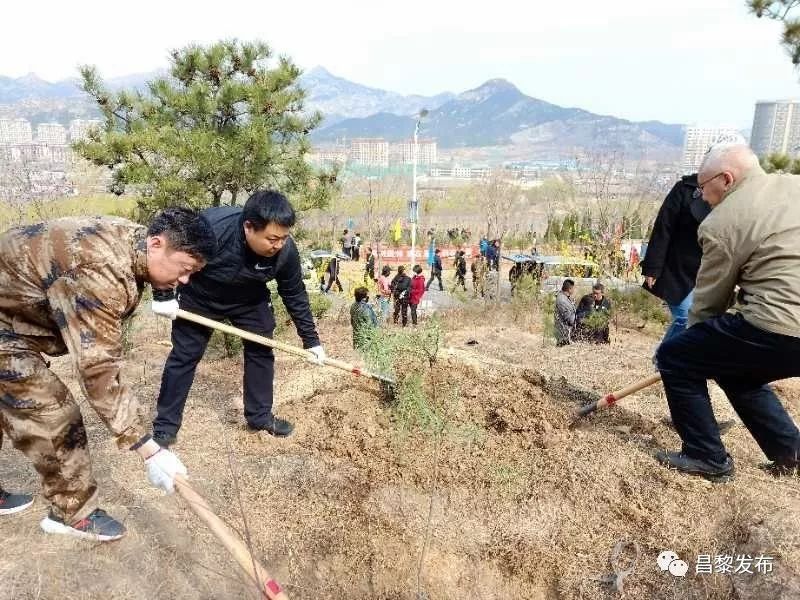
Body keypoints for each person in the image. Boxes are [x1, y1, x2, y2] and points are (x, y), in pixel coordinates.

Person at [0, 208, 216, 540]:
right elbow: (97, 370)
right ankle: (72, 513)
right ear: (157, 243)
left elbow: (150, 267)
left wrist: (164, 293)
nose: (185, 280)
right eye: (185, 270)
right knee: (50, 411)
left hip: (12, 310)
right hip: (6, 323)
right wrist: (149, 449)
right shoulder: (99, 271)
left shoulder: (137, 242)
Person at [655, 144, 800, 480]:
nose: (702, 197)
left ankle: (706, 456)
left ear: (726, 178)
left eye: (703, 188)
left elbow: (709, 303)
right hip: (788, 326)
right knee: (738, 370)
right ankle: (790, 452)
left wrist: (693, 348)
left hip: (780, 325)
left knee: (676, 357)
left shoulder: (722, 222)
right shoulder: (793, 184)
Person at [152, 190, 326, 446]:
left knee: (261, 349)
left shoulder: (285, 252)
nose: (278, 245)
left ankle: (260, 417)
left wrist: (311, 341)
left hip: (249, 299)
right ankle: (165, 427)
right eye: (272, 238)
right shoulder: (211, 229)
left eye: (284, 238)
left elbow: (295, 294)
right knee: (184, 356)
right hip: (201, 295)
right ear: (248, 227)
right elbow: (169, 251)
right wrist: (163, 292)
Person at [641, 174, 711, 344]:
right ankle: (664, 359)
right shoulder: (685, 188)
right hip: (677, 269)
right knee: (685, 317)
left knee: (702, 322)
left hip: (709, 273)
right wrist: (653, 267)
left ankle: (675, 361)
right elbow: (664, 227)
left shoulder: (735, 195)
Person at [554, 279, 577, 346]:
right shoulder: (562, 300)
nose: (574, 290)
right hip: (563, 336)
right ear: (569, 289)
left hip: (566, 334)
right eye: (573, 288)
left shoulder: (566, 298)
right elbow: (569, 319)